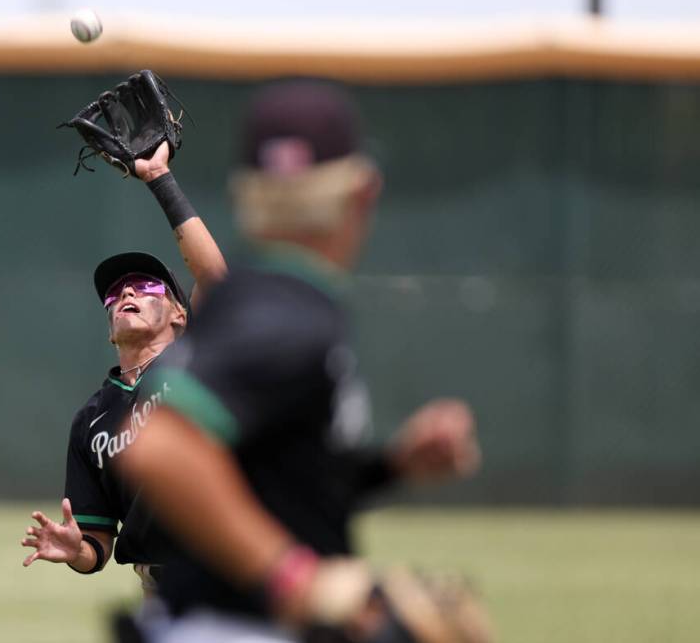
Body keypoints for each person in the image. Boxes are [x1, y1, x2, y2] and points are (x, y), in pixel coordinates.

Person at [118, 80, 488, 642]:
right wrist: (293, 578)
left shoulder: (256, 297)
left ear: (247, 195)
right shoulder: (290, 316)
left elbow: (271, 480)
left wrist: (391, 466)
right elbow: (162, 450)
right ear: (363, 192)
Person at [19, 141, 227, 592]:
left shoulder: (199, 362)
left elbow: (216, 281)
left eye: (146, 285)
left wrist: (159, 179)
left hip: (229, 576)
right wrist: (76, 550)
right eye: (115, 295)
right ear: (110, 330)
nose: (126, 294)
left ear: (180, 314)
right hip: (159, 590)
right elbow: (97, 540)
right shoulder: (91, 420)